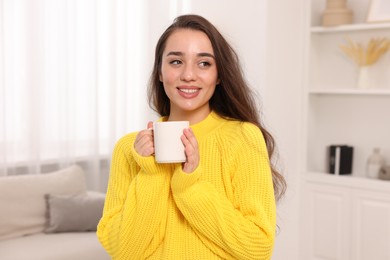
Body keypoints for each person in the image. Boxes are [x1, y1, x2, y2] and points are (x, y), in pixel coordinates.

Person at [97, 14, 286, 260]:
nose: (188, 75)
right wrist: (151, 173)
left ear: (219, 75)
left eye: (204, 63)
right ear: (160, 72)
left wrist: (190, 187)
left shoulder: (242, 137)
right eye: (176, 61)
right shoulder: (129, 149)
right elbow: (125, 252)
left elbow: (257, 249)